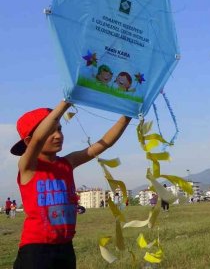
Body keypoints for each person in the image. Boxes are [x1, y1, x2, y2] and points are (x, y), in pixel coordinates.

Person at [10, 101, 130, 268]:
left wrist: (127, 115)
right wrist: (66, 103)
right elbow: (38, 139)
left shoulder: (68, 162)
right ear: (29, 141)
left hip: (65, 247)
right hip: (36, 250)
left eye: (59, 129)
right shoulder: (28, 166)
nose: (58, 135)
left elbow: (105, 143)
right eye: (50, 131)